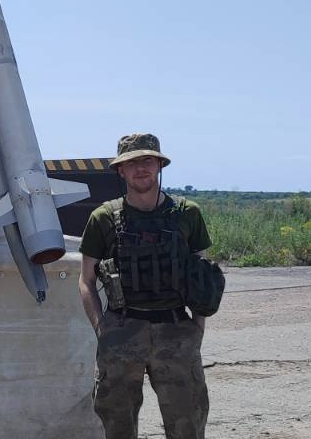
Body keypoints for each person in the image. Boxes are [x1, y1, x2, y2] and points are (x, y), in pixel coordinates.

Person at [78, 133, 213, 439]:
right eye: (132, 162)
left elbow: (203, 275)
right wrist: (102, 330)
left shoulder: (187, 214)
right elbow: (86, 280)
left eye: (147, 160)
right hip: (123, 330)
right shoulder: (103, 218)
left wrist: (197, 328)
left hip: (176, 328)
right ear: (120, 170)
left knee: (188, 425)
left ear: (159, 165)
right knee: (118, 426)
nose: (140, 168)